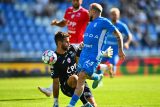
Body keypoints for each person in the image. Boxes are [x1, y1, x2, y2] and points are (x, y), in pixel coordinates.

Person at [67, 3, 125, 107]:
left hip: (94, 55)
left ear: (93, 11)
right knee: (83, 75)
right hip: (84, 53)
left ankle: (71, 105)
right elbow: (89, 38)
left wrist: (120, 50)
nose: (88, 12)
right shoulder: (90, 23)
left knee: (81, 76)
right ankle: (98, 76)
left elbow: (118, 34)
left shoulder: (104, 22)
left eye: (89, 10)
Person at [38, 0, 89, 96]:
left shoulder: (85, 13)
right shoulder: (68, 10)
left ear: (81, 1)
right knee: (65, 67)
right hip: (67, 43)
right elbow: (64, 23)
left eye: (77, 0)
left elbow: (90, 24)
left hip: (78, 44)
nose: (75, 1)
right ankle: (51, 89)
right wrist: (57, 23)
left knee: (75, 67)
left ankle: (99, 72)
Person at [42, 31, 97, 107]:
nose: (69, 43)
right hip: (67, 87)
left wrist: (81, 50)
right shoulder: (55, 60)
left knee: (94, 105)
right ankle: (86, 104)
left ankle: (87, 105)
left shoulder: (72, 48)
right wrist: (56, 102)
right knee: (75, 78)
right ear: (59, 43)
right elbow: (55, 82)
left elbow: (79, 62)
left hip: (80, 81)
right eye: (67, 42)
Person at [101, 7, 132, 77]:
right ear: (110, 15)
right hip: (106, 46)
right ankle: (100, 75)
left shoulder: (122, 26)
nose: (114, 16)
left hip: (116, 48)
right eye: (112, 14)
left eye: (115, 14)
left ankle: (110, 72)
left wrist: (127, 43)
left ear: (119, 15)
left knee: (113, 64)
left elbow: (129, 35)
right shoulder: (107, 23)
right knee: (100, 61)